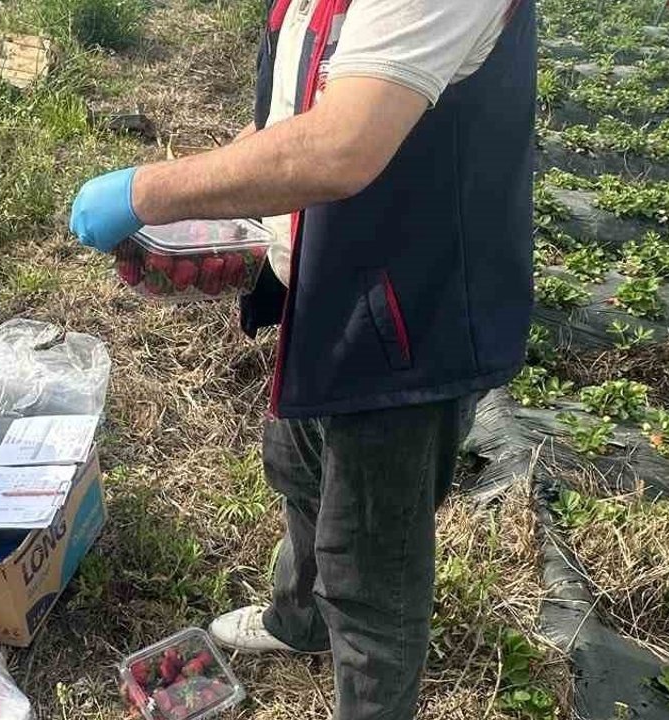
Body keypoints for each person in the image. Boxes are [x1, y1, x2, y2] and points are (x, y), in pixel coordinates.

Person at [68, 0, 536, 716]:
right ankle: (299, 620)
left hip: (408, 324)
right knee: (299, 470)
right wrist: (219, 205)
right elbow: (296, 107)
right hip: (329, 290)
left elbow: (339, 146)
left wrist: (146, 192)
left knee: (371, 572)